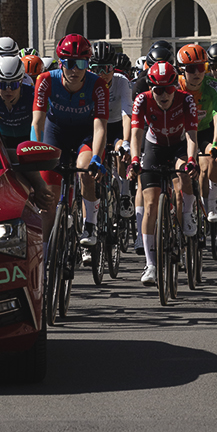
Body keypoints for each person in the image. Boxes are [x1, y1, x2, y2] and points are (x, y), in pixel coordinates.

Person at [32, 34, 108, 249]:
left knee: (85, 170)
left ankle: (90, 224)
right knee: (48, 200)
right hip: (55, 133)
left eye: (81, 63)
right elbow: (37, 123)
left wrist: (96, 158)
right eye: (69, 63)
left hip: (85, 134)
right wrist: (34, 156)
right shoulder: (46, 79)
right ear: (60, 63)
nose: (75, 70)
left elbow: (100, 126)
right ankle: (45, 253)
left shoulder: (98, 84)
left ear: (88, 64)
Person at [129, 60, 198, 285]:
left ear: (175, 87)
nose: (164, 94)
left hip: (178, 144)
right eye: (158, 89)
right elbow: (136, 134)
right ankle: (150, 265)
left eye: (169, 89)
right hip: (155, 146)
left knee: (183, 177)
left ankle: (186, 215)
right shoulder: (142, 100)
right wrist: (135, 160)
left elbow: (191, 135)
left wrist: (190, 160)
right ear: (151, 88)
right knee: (150, 204)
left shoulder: (185, 99)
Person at [0, 55, 51, 209]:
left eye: (14, 84)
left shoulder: (33, 95)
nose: (9, 90)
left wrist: (36, 152)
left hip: (27, 138)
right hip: (2, 140)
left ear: (21, 81)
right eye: (3, 85)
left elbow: (41, 125)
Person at [176, 43, 217, 221]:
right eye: (191, 69)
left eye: (201, 67)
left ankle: (212, 201)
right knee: (179, 183)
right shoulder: (175, 87)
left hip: (205, 130)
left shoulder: (215, 86)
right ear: (182, 70)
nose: (197, 73)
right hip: (181, 134)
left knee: (215, 156)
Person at [90, 41, 134, 225]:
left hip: (115, 125)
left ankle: (125, 193)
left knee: (120, 151)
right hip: (94, 126)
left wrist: (126, 141)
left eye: (107, 68)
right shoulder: (88, 81)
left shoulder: (121, 81)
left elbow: (127, 113)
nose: (103, 74)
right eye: (97, 69)